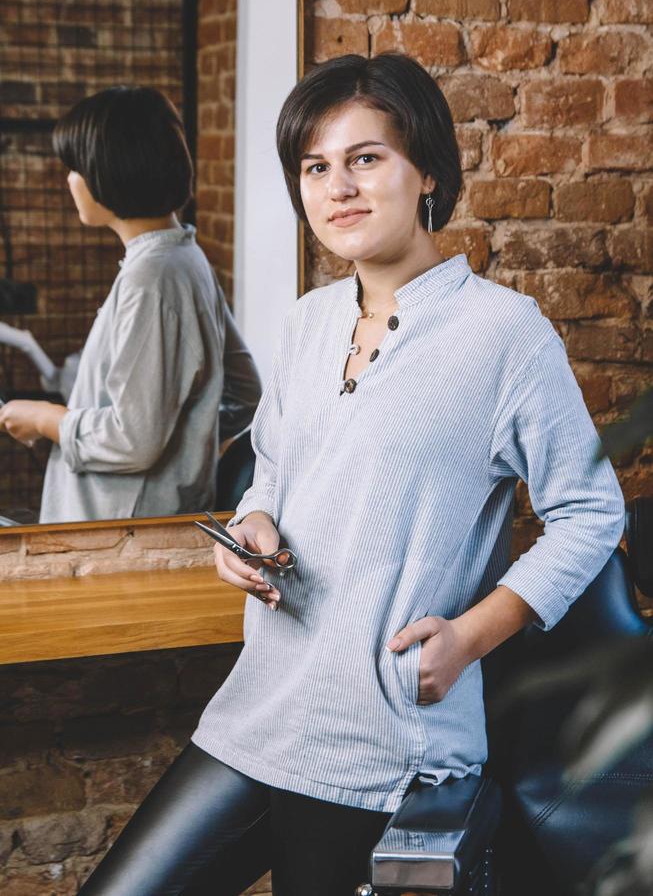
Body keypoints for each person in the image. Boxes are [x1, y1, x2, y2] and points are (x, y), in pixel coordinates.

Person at [76, 54, 625, 895]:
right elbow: (272, 475)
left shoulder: (505, 335)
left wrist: (468, 639)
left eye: (365, 158)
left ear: (427, 171)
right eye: (315, 167)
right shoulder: (305, 323)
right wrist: (253, 526)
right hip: (261, 709)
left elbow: (589, 513)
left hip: (388, 735)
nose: (339, 187)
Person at [0, 86, 261, 522]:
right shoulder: (184, 257)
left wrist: (49, 419)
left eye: (75, 168)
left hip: (115, 531)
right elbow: (245, 391)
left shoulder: (152, 280)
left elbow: (134, 438)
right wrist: (184, 435)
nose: (69, 180)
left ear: (108, 173)